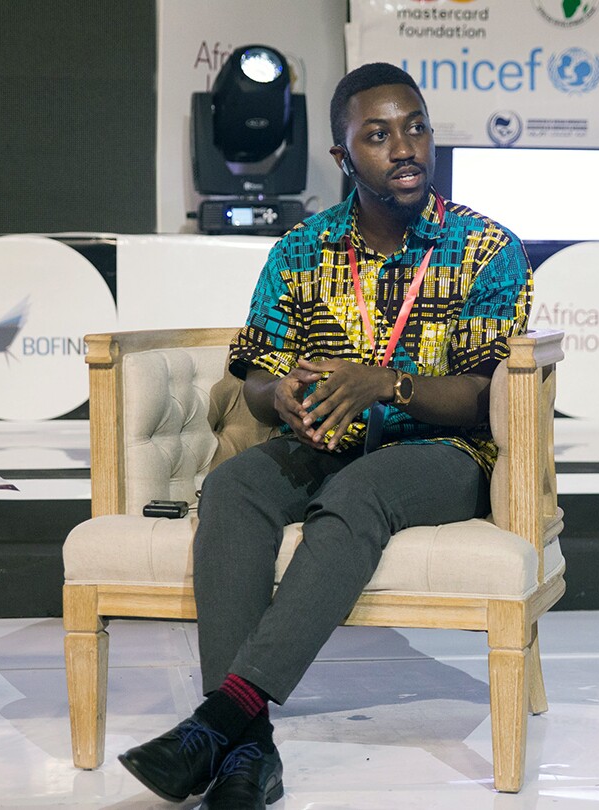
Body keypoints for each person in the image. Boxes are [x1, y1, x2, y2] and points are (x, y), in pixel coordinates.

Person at [117, 62, 532, 809]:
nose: (403, 147)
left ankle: (219, 719)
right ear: (344, 157)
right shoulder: (302, 250)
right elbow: (254, 377)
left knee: (360, 491)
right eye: (378, 135)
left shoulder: (483, 247)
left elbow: (480, 394)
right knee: (233, 485)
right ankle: (250, 751)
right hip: (327, 441)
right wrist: (278, 394)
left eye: (415, 127)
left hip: (445, 453)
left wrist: (388, 383)